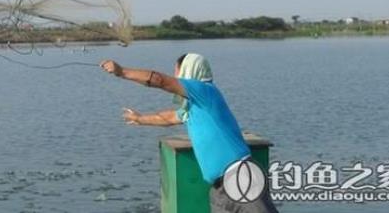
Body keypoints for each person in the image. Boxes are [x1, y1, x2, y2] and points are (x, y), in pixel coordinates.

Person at [100, 53, 279, 213]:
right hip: (219, 188)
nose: (176, 77)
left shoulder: (205, 91)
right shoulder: (194, 107)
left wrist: (122, 72)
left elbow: (161, 81)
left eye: (177, 71)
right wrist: (140, 119)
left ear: (189, 70)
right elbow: (168, 118)